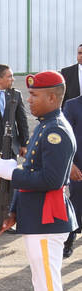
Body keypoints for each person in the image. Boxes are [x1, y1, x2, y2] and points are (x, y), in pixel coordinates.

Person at [0, 70, 76, 291]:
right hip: (36, 218)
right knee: (41, 288)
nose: (29, 100)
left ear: (53, 98)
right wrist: (14, 211)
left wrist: (11, 173)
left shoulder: (56, 131)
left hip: (48, 221)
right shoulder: (46, 127)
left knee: (49, 290)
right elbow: (33, 171)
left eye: (35, 95)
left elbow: (50, 179)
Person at [0, 64, 30, 195]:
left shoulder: (15, 95)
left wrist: (24, 144)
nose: (13, 79)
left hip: (10, 147)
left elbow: (22, 121)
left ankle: (9, 211)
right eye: (9, 76)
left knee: (11, 184)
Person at [63, 91, 82, 257]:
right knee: (75, 205)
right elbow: (65, 137)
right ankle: (68, 240)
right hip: (78, 169)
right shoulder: (72, 105)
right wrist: (71, 165)